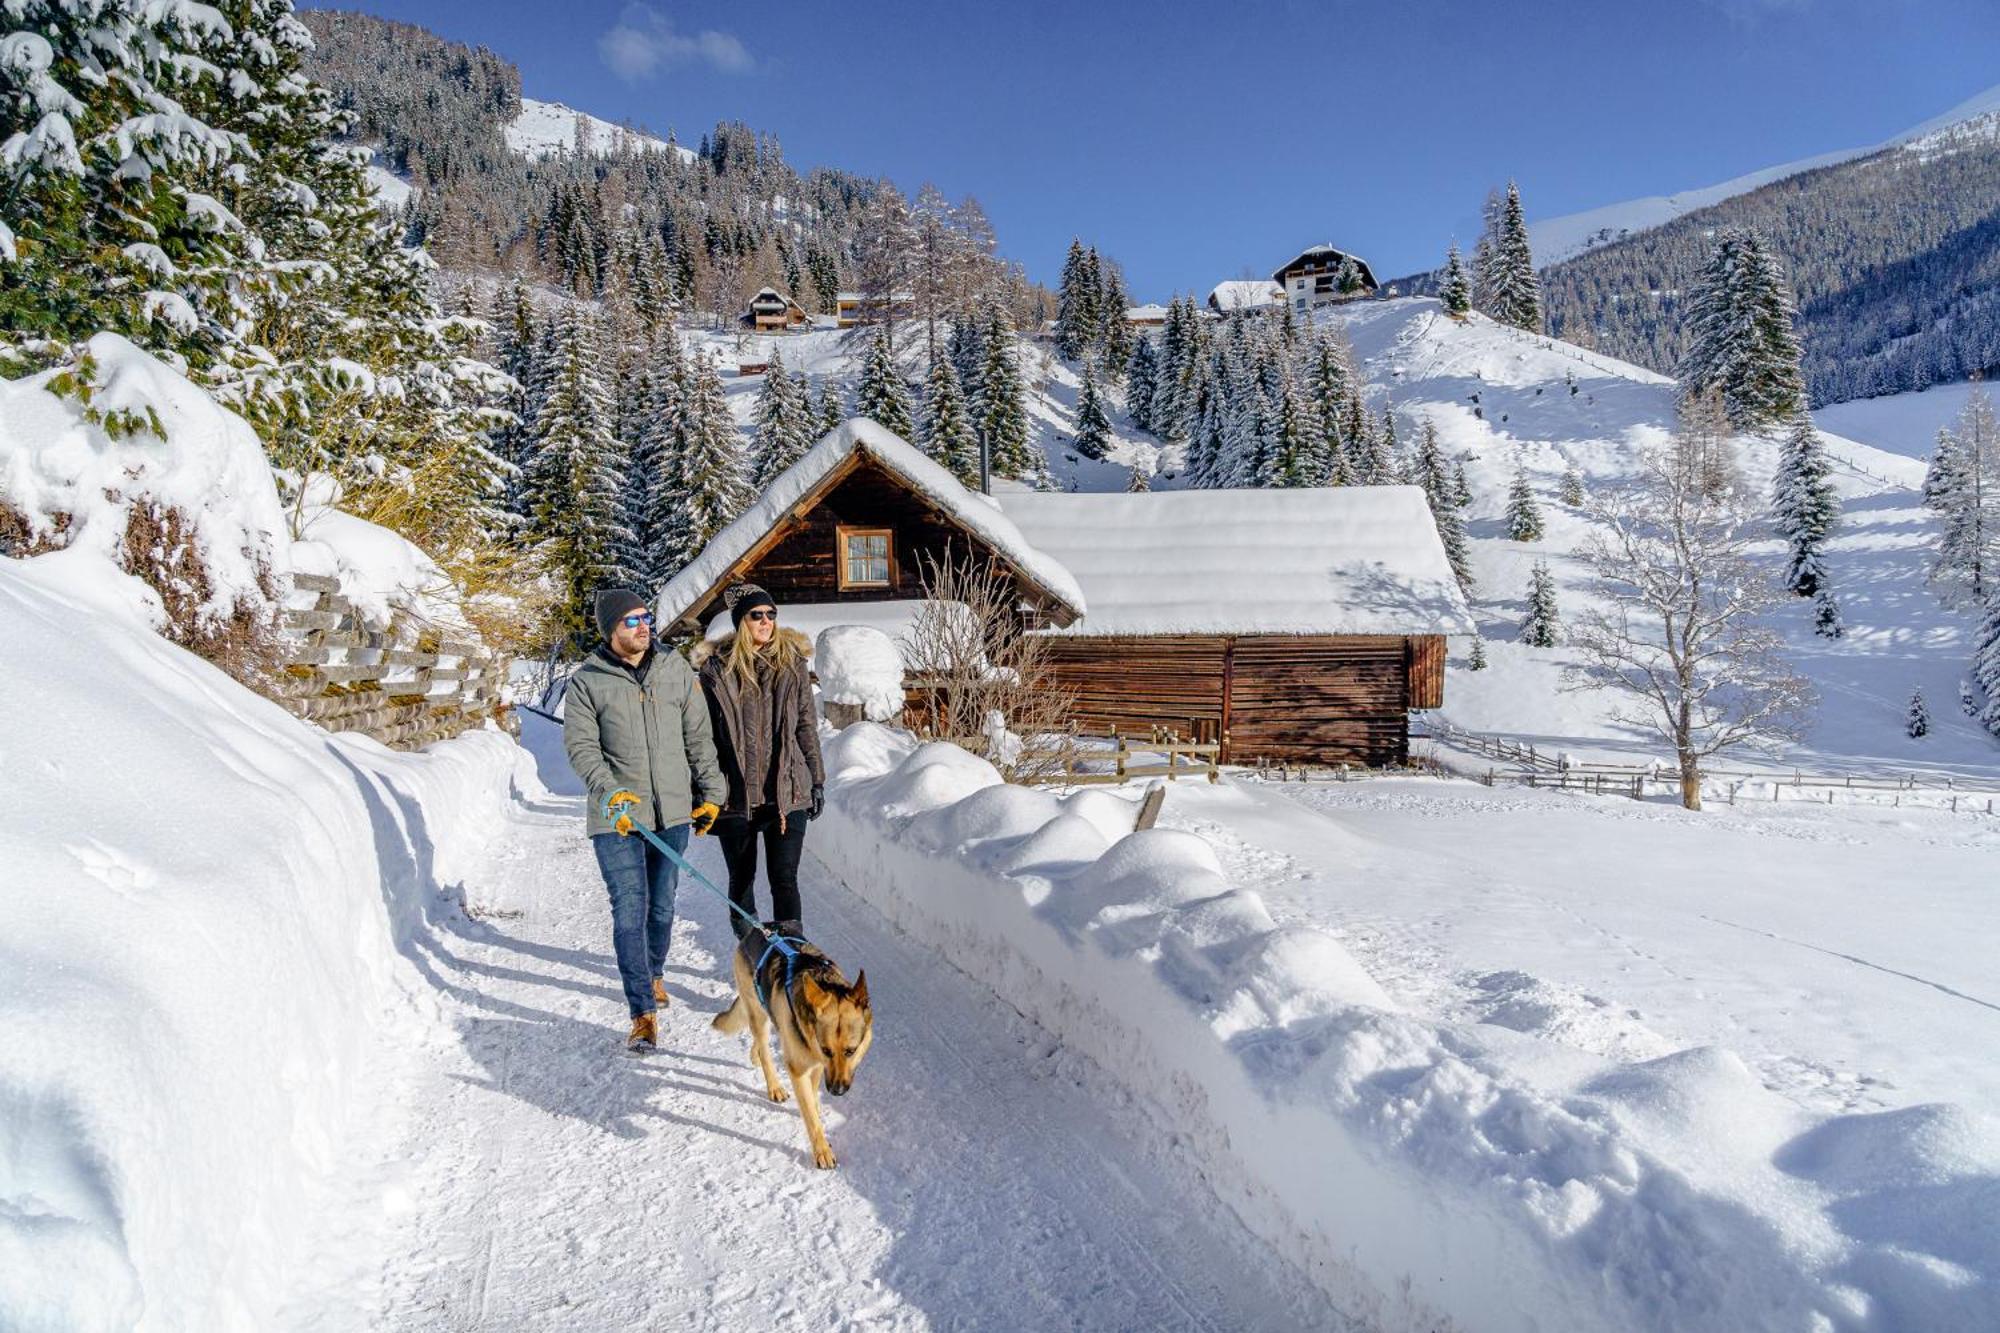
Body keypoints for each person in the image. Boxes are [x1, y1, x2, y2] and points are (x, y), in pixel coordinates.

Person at [564, 588, 724, 1053]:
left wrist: (712, 792)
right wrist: (609, 791)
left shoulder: (674, 669)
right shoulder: (588, 681)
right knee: (629, 911)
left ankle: (653, 973)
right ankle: (642, 1013)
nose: (642, 627)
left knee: (662, 905)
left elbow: (698, 735)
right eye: (631, 621)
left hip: (671, 810)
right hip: (616, 818)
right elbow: (581, 747)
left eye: (646, 618)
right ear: (610, 629)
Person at [692, 584, 825, 942]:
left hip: (786, 791)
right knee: (742, 879)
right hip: (736, 796)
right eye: (757, 615)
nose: (766, 621)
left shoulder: (792, 664)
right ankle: (753, 954)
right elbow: (702, 736)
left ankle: (793, 960)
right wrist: (702, 789)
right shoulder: (716, 671)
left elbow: (805, 725)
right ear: (740, 621)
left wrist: (816, 779)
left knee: (784, 877)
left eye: (771, 614)